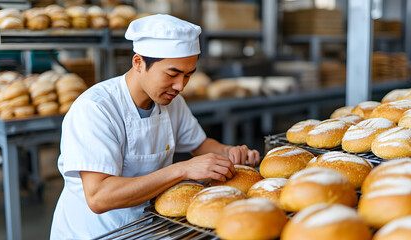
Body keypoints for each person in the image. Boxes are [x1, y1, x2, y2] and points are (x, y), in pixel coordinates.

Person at [50, 14, 260, 239]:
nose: (180, 86)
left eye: (188, 75)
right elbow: (99, 197)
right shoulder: (95, 109)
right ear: (138, 63)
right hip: (96, 232)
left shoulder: (172, 101)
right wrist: (182, 169)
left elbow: (200, 144)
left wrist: (227, 153)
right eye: (172, 74)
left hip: (148, 229)